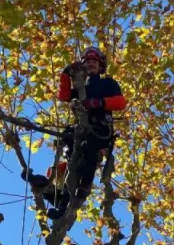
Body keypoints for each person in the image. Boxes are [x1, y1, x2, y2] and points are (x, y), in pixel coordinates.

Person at [23, 47, 127, 220]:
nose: (91, 65)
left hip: (99, 129)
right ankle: (56, 194)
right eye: (88, 62)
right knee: (69, 151)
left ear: (101, 66)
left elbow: (120, 102)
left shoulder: (108, 83)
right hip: (80, 129)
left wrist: (99, 103)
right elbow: (63, 96)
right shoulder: (80, 87)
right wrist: (65, 74)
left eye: (94, 62)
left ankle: (84, 185)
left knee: (88, 150)